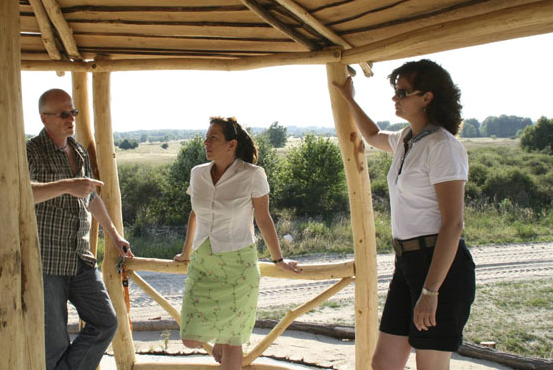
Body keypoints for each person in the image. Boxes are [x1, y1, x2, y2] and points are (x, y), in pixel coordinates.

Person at [332, 60, 475, 370]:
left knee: (431, 366)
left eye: (403, 92)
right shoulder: (406, 139)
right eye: (395, 91)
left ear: (427, 98)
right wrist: (348, 97)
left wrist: (430, 290)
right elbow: (371, 135)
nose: (395, 98)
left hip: (440, 268)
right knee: (383, 363)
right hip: (407, 264)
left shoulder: (443, 146)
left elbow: (453, 224)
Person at [174, 116, 302, 370]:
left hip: (238, 266)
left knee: (233, 340)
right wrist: (185, 252)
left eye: (213, 137)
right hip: (202, 264)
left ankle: (225, 340)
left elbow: (263, 220)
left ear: (231, 144)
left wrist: (279, 259)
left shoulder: (253, 175)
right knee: (189, 338)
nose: (206, 142)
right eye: (206, 136)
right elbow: (195, 213)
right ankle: (220, 339)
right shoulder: (197, 173)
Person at [26, 88, 133, 370]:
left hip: (80, 258)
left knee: (106, 322)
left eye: (73, 112)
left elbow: (90, 197)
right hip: (46, 261)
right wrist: (68, 186)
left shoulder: (78, 150)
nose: (70, 118)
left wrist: (114, 235)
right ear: (44, 118)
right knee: (54, 344)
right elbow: (21, 193)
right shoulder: (30, 151)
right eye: (63, 114)